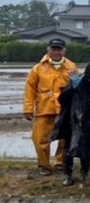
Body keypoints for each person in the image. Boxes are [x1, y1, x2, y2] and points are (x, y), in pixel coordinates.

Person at [53, 56, 90, 185]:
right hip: (73, 121)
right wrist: (71, 88)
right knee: (69, 148)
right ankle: (68, 175)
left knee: (87, 148)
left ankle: (85, 173)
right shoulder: (78, 82)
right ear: (89, 69)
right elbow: (62, 99)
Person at [25, 39, 78, 174]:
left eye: (59, 49)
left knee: (64, 138)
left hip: (65, 109)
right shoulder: (38, 68)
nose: (56, 52)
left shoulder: (72, 68)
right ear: (48, 50)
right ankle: (44, 165)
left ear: (64, 51)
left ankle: (61, 162)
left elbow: (77, 89)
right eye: (53, 49)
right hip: (44, 108)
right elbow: (30, 89)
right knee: (40, 138)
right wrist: (28, 109)